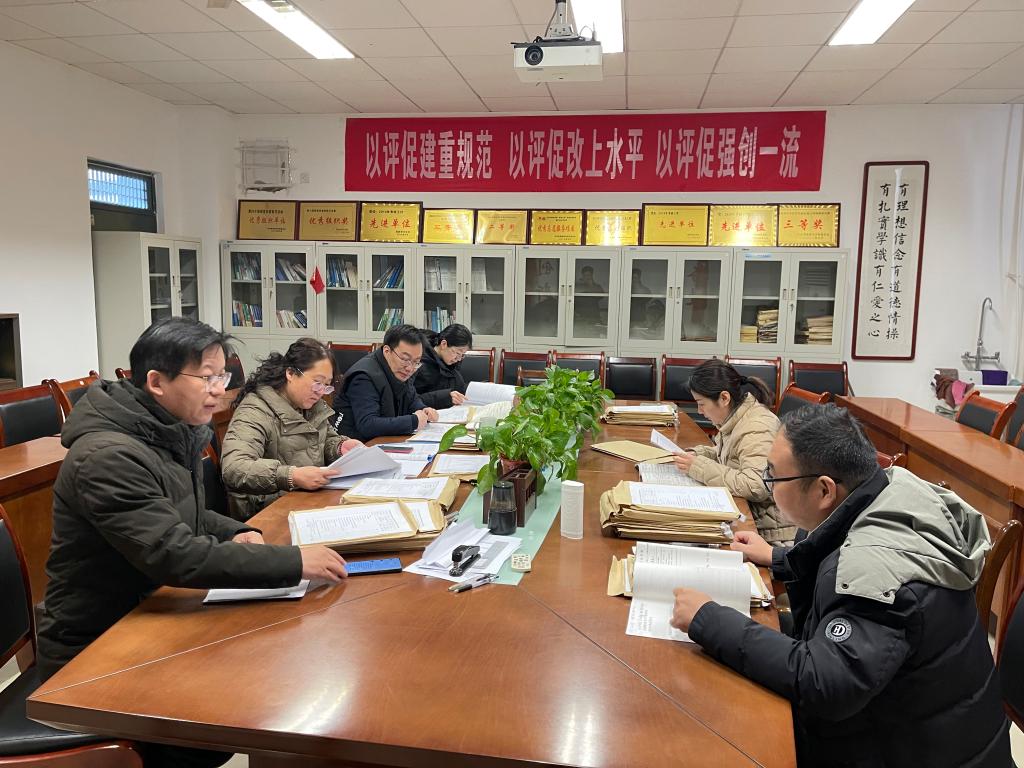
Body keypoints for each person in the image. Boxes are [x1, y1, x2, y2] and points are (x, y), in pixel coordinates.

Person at [36, 317, 348, 768]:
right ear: (156, 382)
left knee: (274, 665)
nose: (220, 391)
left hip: (150, 615)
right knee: (231, 714)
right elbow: (174, 555)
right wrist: (294, 562)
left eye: (222, 377)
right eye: (207, 378)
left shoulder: (165, 431)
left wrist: (233, 531)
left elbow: (185, 513)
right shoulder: (107, 456)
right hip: (96, 646)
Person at [670, 404, 1012, 768]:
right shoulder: (889, 488)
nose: (769, 486)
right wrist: (780, 558)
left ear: (824, 490)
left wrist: (708, 619)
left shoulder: (878, 572)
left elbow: (826, 685)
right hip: (917, 729)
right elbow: (838, 545)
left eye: (774, 476)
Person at [220, 338, 363, 520]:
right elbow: (234, 467)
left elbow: (324, 439)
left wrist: (340, 447)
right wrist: (291, 475)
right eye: (317, 383)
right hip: (266, 512)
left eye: (326, 386)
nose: (320, 392)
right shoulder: (256, 410)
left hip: (306, 500)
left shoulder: (311, 404)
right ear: (290, 373)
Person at [673, 359, 796, 544]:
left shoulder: (757, 427)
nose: (699, 411)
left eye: (701, 403)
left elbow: (757, 485)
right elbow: (730, 454)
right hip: (749, 517)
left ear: (724, 398)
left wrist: (699, 467)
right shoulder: (737, 417)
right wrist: (698, 455)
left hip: (767, 533)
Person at [332, 323, 438, 441]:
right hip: (355, 446)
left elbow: (411, 399)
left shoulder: (401, 370)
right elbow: (368, 425)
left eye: (416, 362)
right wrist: (413, 421)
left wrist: (424, 410)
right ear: (387, 351)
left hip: (382, 441)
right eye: (405, 359)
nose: (410, 368)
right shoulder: (363, 377)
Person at [413, 323, 472, 409]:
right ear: (444, 344)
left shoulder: (449, 362)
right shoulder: (418, 363)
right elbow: (410, 400)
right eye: (457, 353)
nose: (459, 359)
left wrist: (474, 388)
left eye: (462, 355)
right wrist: (446, 397)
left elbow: (456, 385)